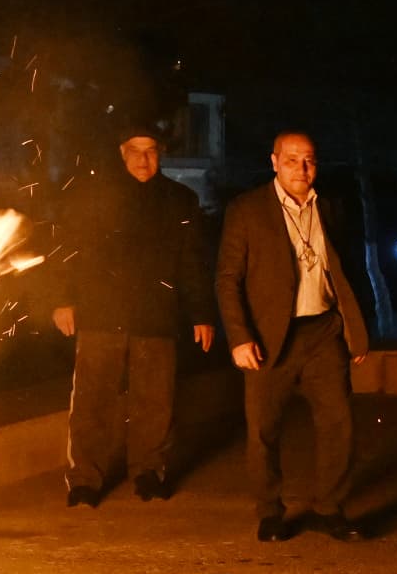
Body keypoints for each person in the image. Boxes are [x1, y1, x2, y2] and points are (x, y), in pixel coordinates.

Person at [214, 131, 376, 544]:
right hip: (270, 337)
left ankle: (330, 508)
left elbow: (351, 270)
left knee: (339, 423)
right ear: (273, 161)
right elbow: (227, 278)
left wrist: (358, 329)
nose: (302, 169)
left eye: (309, 160)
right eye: (291, 160)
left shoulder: (332, 206)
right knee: (263, 429)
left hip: (323, 331)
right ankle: (270, 512)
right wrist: (239, 337)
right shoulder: (248, 210)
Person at [51, 121, 216, 507]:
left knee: (155, 401)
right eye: (136, 151)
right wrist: (63, 299)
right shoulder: (95, 197)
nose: (144, 159)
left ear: (160, 154)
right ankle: (84, 480)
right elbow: (70, 250)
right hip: (101, 314)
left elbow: (192, 262)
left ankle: (148, 471)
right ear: (122, 153)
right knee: (92, 400)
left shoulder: (180, 200)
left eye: (151, 151)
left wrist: (201, 314)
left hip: (157, 316)